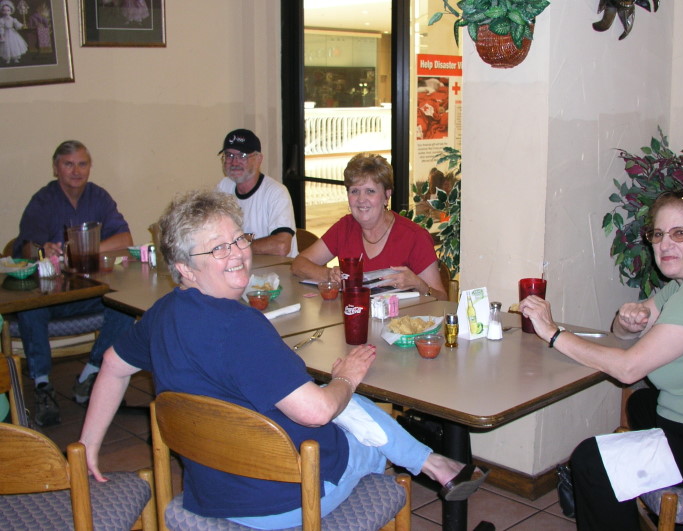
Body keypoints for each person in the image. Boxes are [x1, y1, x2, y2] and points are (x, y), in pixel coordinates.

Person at [78, 190, 488, 528]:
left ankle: (435, 463)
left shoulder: (162, 314)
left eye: (239, 238)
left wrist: (88, 444)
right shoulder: (243, 327)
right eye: (218, 248)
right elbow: (316, 412)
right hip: (286, 498)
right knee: (360, 421)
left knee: (346, 406)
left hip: (211, 492)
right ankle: (433, 464)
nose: (238, 253)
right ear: (184, 267)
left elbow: (113, 366)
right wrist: (346, 377)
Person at [520, 188, 683, 531]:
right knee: (645, 404)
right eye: (658, 234)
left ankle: (630, 489)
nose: (665, 245)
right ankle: (654, 494)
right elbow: (623, 332)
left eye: (680, 233)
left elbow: (628, 369)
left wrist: (552, 333)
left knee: (591, 461)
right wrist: (628, 319)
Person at [13, 140, 135, 427]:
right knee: (30, 309)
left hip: (89, 291)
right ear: (56, 168)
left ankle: (90, 374)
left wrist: (84, 251)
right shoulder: (43, 201)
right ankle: (43, 386)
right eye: (68, 164)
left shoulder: (99, 197)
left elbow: (125, 240)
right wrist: (43, 248)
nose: (76, 171)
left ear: (89, 167)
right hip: (51, 296)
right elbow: (23, 250)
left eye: (82, 164)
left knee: (126, 304)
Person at [291, 153, 448, 299]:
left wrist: (419, 285)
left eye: (370, 191)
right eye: (354, 191)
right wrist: (328, 274)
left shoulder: (414, 237)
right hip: (353, 319)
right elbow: (298, 264)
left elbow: (443, 300)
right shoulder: (345, 227)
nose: (361, 199)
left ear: (387, 195)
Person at [216, 128, 298, 257]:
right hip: (241, 269)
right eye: (229, 155)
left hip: (277, 272)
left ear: (258, 159)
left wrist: (235, 247)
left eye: (242, 156)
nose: (234, 162)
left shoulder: (275, 193)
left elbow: (281, 246)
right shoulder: (224, 186)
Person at [0, 0, 27, 64]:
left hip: (12, 33)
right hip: (6, 33)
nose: (6, 12)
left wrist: (22, 25)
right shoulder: (1, 20)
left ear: (11, 11)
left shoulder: (12, 19)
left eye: (8, 10)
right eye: (4, 10)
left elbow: (17, 24)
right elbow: (1, 27)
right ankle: (7, 58)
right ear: (2, 11)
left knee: (14, 45)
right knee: (6, 46)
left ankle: (15, 58)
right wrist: (1, 35)